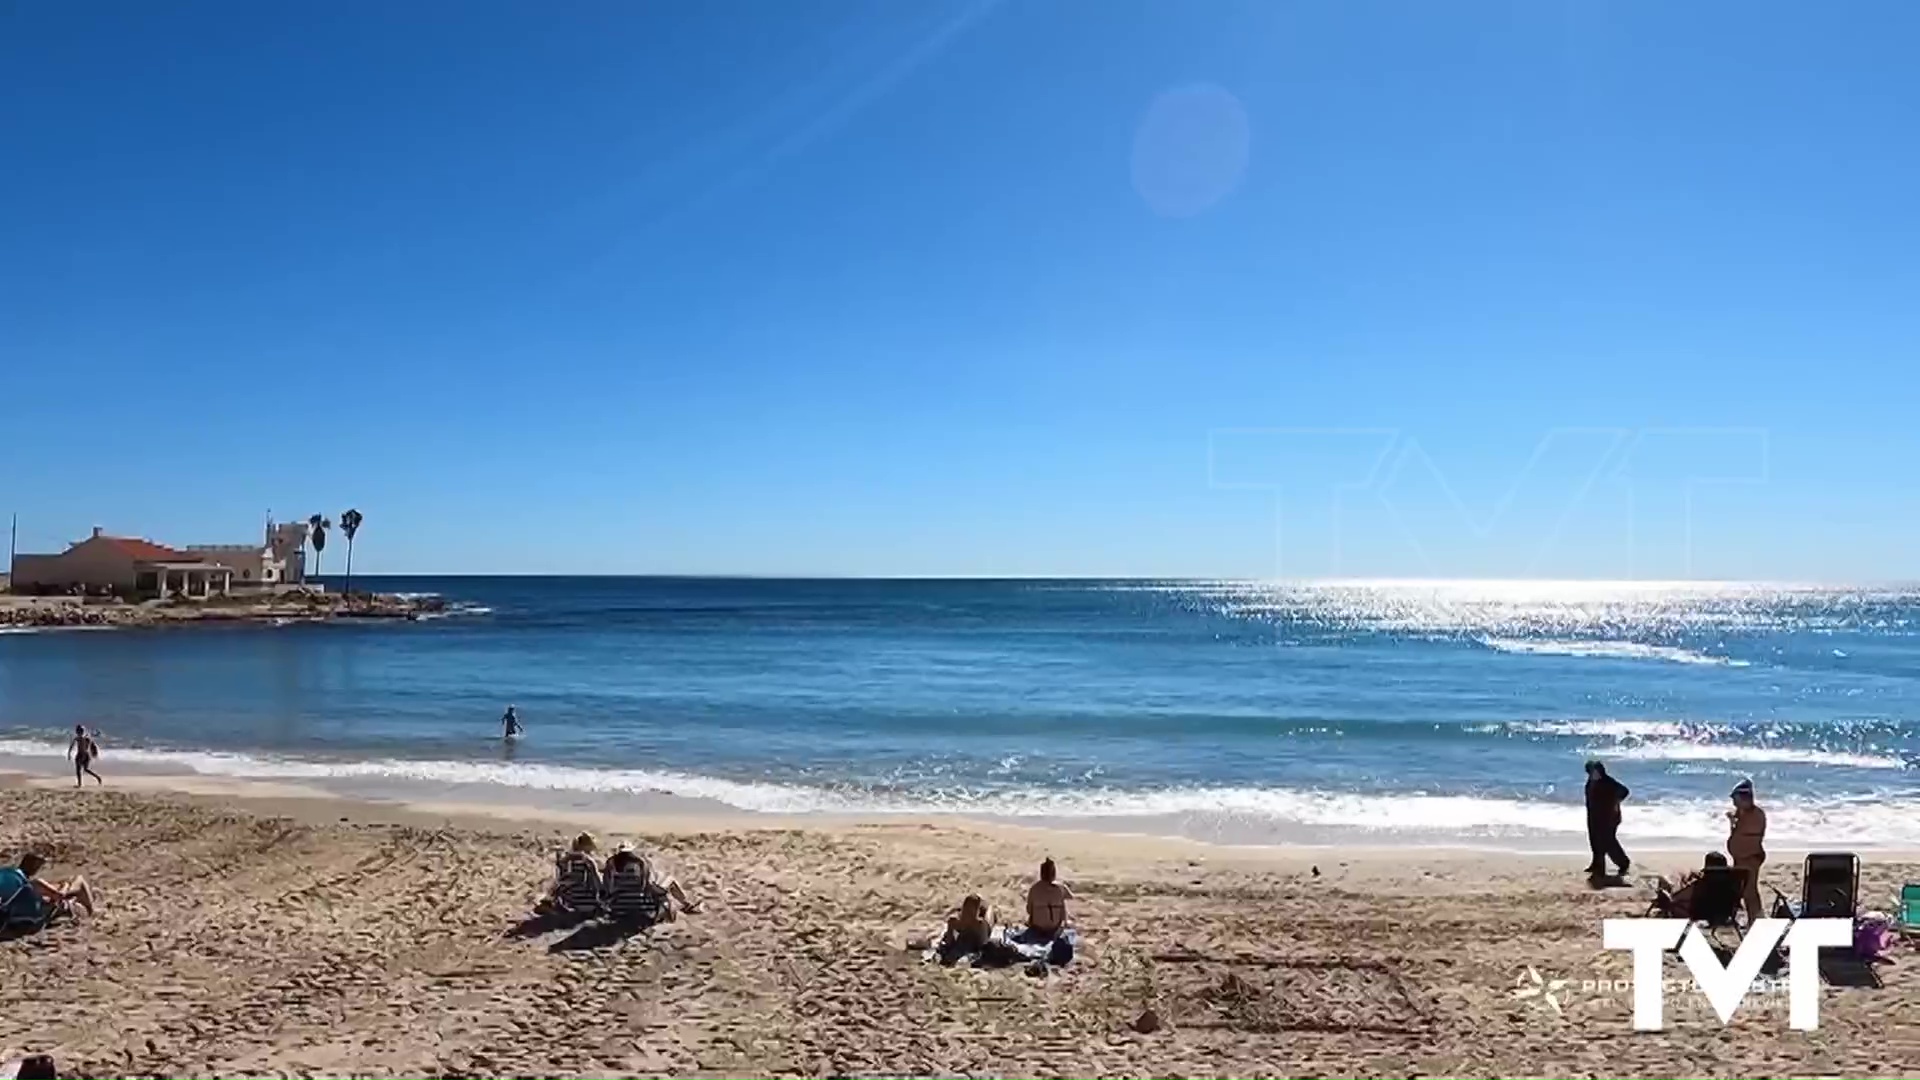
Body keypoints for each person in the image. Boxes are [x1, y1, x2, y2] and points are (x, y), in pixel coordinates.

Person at [603, 842, 698, 921]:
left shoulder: (611, 864)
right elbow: (646, 885)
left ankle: (684, 905)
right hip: (641, 905)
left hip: (618, 906)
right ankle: (686, 904)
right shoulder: (639, 863)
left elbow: (608, 886)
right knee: (668, 883)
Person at [1, 852, 97, 923]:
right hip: (26, 914)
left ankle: (89, 909)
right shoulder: (34, 883)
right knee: (78, 881)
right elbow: (59, 895)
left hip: (13, 908)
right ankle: (92, 911)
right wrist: (66, 886)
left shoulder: (7, 874)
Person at [1727, 778, 1768, 922]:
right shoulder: (1743, 813)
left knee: (1750, 891)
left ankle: (1756, 918)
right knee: (1746, 891)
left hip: (1750, 857)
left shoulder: (1755, 815)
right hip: (1741, 857)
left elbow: (1746, 836)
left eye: (1736, 799)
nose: (1734, 803)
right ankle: (1753, 918)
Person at [1582, 760, 1630, 878]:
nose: (1591, 774)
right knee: (1595, 841)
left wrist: (1614, 803)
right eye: (1589, 772)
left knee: (1608, 842)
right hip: (1594, 815)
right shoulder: (1592, 782)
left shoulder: (1608, 782)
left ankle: (1623, 863)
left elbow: (1625, 791)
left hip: (1609, 817)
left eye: (1593, 771)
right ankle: (1597, 865)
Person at [537, 832, 602, 915]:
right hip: (586, 905)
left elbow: (558, 882)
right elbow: (597, 884)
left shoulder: (563, 861)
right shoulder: (588, 861)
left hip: (566, 903)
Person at [1654, 852, 1730, 915]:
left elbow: (1676, 897)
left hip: (1698, 913)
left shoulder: (1702, 884)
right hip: (1724, 912)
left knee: (1664, 884)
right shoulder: (1732, 882)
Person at [1024, 857, 1074, 940]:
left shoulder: (1034, 888)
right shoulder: (1060, 888)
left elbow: (1029, 910)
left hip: (1038, 927)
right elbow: (1071, 897)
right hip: (1055, 928)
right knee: (1062, 902)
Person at [938, 894, 994, 960]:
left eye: (971, 910)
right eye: (966, 909)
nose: (968, 913)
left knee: (989, 914)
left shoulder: (980, 925)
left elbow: (983, 945)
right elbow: (948, 942)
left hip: (983, 930)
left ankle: (988, 906)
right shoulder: (956, 922)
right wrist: (950, 929)